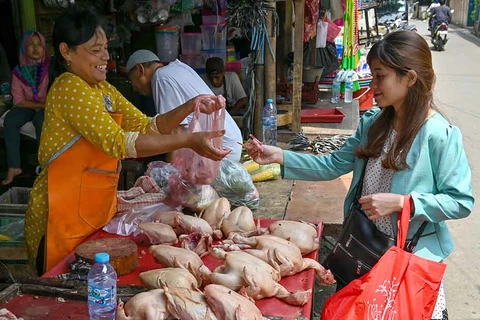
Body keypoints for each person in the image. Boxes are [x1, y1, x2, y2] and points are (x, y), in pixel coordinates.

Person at [244, 31, 474, 320]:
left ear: (410, 78)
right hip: (365, 249)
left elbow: (460, 201)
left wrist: (405, 203)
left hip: (406, 261)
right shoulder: (374, 123)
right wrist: (279, 156)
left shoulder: (438, 135)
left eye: (380, 76)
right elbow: (332, 164)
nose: (372, 85)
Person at [25, 8, 230, 275]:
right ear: (66, 51)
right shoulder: (68, 87)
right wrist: (188, 140)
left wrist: (189, 107)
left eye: (105, 49)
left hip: (91, 211)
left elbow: (147, 125)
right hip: (60, 216)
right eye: (95, 50)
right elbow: (119, 143)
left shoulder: (102, 90)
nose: (105, 57)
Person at [125, 51, 243, 162]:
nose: (135, 88)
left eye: (132, 81)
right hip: (231, 145)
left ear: (139, 70)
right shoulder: (178, 67)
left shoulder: (161, 77)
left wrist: (169, 172)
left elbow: (176, 130)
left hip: (218, 154)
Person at [2, 31, 50, 185]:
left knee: (40, 121)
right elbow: (19, 101)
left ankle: (45, 165)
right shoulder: (18, 72)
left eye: (39, 44)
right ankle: (14, 166)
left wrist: (44, 107)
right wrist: (39, 105)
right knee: (10, 120)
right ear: (24, 48)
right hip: (29, 105)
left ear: (44, 48)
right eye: (31, 44)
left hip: (48, 106)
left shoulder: (51, 67)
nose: (36, 48)